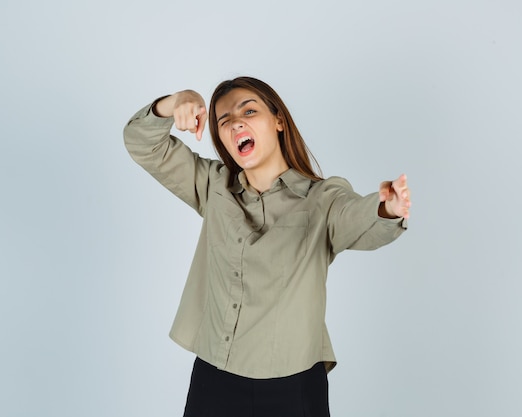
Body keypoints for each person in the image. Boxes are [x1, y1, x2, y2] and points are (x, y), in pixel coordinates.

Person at [123, 76, 410, 417]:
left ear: (278, 121)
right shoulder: (214, 186)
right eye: (224, 121)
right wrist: (175, 101)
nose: (236, 122)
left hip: (293, 386)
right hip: (213, 377)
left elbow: (355, 218)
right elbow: (142, 143)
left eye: (249, 110)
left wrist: (385, 209)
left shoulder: (322, 198)